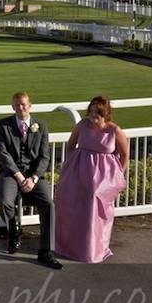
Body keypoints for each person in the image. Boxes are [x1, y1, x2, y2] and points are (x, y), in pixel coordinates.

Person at [0, 91, 63, 270]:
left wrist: (32, 178)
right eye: (17, 105)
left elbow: (44, 157)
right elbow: (3, 153)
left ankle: (47, 251)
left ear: (30, 105)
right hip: (11, 173)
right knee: (4, 201)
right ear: (13, 107)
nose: (20, 108)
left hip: (33, 175)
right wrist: (18, 175)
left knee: (48, 204)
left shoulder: (41, 125)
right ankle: (14, 231)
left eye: (23, 104)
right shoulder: (3, 125)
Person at [55, 96, 129, 263]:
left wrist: (118, 175)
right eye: (92, 111)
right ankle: (69, 246)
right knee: (72, 206)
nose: (94, 115)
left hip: (104, 179)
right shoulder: (82, 125)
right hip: (78, 172)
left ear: (106, 113)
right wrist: (71, 165)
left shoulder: (115, 130)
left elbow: (124, 154)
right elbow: (70, 145)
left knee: (94, 205)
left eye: (99, 112)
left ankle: (92, 249)